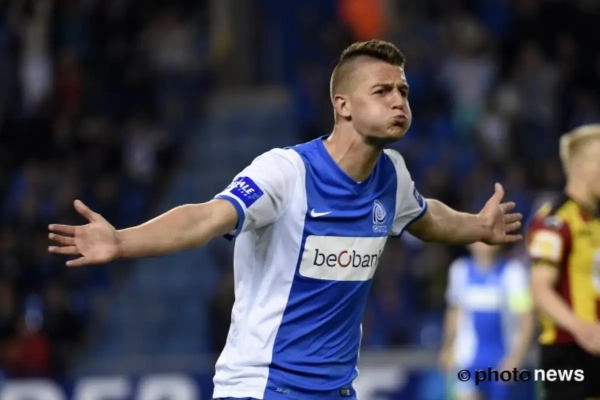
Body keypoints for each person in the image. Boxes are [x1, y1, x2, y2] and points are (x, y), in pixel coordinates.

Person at [48, 40, 523, 400]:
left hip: (336, 390)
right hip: (261, 386)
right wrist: (122, 241)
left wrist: (478, 227)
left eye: (403, 91)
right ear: (343, 105)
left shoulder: (392, 176)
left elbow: (425, 217)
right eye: (382, 91)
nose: (398, 101)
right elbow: (205, 218)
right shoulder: (286, 172)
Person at [528, 124, 600, 400]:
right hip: (567, 353)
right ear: (579, 166)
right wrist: (582, 329)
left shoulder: (594, 221)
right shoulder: (555, 221)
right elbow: (540, 288)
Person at [439, 242, 534, 400]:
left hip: (502, 360)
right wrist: (447, 347)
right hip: (467, 360)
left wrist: (516, 357)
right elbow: (454, 312)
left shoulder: (513, 272)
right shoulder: (460, 270)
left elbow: (526, 318)